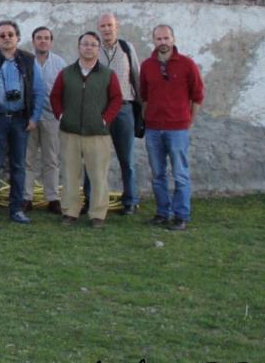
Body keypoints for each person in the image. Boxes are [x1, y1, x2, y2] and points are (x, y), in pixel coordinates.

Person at [51, 32, 123, 228]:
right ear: (79, 47)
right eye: (85, 44)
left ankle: (97, 214)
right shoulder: (66, 73)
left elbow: (117, 99)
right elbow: (55, 96)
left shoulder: (108, 74)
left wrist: (104, 119)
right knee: (69, 173)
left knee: (98, 175)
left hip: (97, 133)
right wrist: (61, 116)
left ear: (98, 49)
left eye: (93, 44)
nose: (88, 47)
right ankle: (70, 211)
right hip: (70, 132)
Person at [139, 25, 205, 231]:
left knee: (180, 174)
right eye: (158, 39)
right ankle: (162, 212)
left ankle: (181, 215)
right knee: (158, 174)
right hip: (153, 129)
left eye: (166, 38)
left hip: (177, 129)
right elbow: (144, 96)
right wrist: (147, 118)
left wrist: (188, 121)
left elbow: (198, 96)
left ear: (173, 39)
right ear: (154, 41)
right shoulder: (147, 66)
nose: (163, 42)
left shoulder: (187, 64)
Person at [0, 21, 46, 225]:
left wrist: (34, 118)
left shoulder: (28, 60)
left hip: (20, 120)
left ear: (17, 37)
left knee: (19, 166)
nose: (6, 38)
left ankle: (16, 209)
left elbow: (39, 90)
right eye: (2, 35)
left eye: (10, 34)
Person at [90, 12, 143, 215]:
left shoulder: (127, 49)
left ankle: (130, 200)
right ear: (99, 28)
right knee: (95, 158)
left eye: (109, 25)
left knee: (126, 159)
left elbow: (136, 77)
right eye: (102, 26)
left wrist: (140, 109)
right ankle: (92, 199)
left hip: (123, 108)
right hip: (99, 109)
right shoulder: (93, 49)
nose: (106, 29)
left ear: (116, 27)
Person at [25, 25, 66, 214]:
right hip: (29, 117)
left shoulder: (59, 63)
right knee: (27, 159)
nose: (43, 41)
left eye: (46, 38)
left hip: (51, 116)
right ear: (33, 41)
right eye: (39, 37)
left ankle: (53, 198)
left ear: (51, 41)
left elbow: (65, 91)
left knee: (51, 159)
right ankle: (26, 197)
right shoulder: (25, 61)